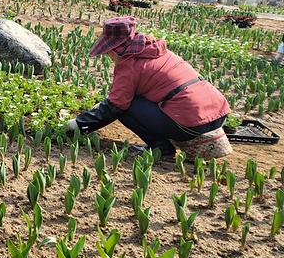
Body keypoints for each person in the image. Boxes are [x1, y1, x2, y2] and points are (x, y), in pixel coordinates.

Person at [68, 16, 231, 159]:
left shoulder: (129, 65)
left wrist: (79, 125)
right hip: (219, 112)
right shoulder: (156, 50)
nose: (108, 56)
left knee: (126, 107)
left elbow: (116, 105)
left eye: (108, 52)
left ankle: (161, 147)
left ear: (115, 49)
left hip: (191, 124)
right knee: (135, 100)